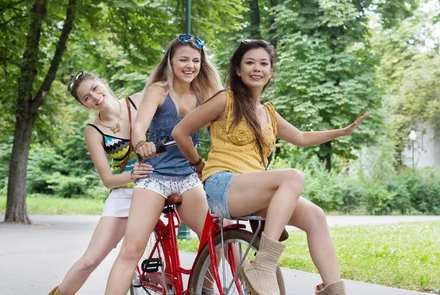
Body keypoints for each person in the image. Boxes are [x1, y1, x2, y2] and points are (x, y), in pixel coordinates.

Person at [172, 39, 371, 295]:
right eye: (250, 63)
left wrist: (342, 132)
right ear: (238, 70)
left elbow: (301, 137)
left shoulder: (268, 112)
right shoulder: (225, 100)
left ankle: (334, 290)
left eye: (264, 63)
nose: (257, 68)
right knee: (292, 177)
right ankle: (264, 265)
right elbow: (180, 132)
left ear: (271, 71)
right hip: (224, 186)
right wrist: (198, 164)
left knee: (316, 216)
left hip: (253, 190)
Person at [104, 34, 222, 295]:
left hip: (187, 176)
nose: (190, 66)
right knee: (131, 250)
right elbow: (139, 126)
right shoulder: (159, 90)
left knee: (217, 241)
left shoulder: (206, 95)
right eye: (183, 59)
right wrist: (141, 143)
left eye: (195, 60)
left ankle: (204, 288)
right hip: (154, 175)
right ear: (171, 61)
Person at [49, 71, 153, 295]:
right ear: (84, 105)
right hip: (125, 194)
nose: (94, 97)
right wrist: (133, 174)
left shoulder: (137, 101)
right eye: (86, 97)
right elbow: (108, 180)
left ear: (104, 83)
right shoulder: (93, 130)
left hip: (159, 185)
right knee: (89, 260)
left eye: (95, 88)